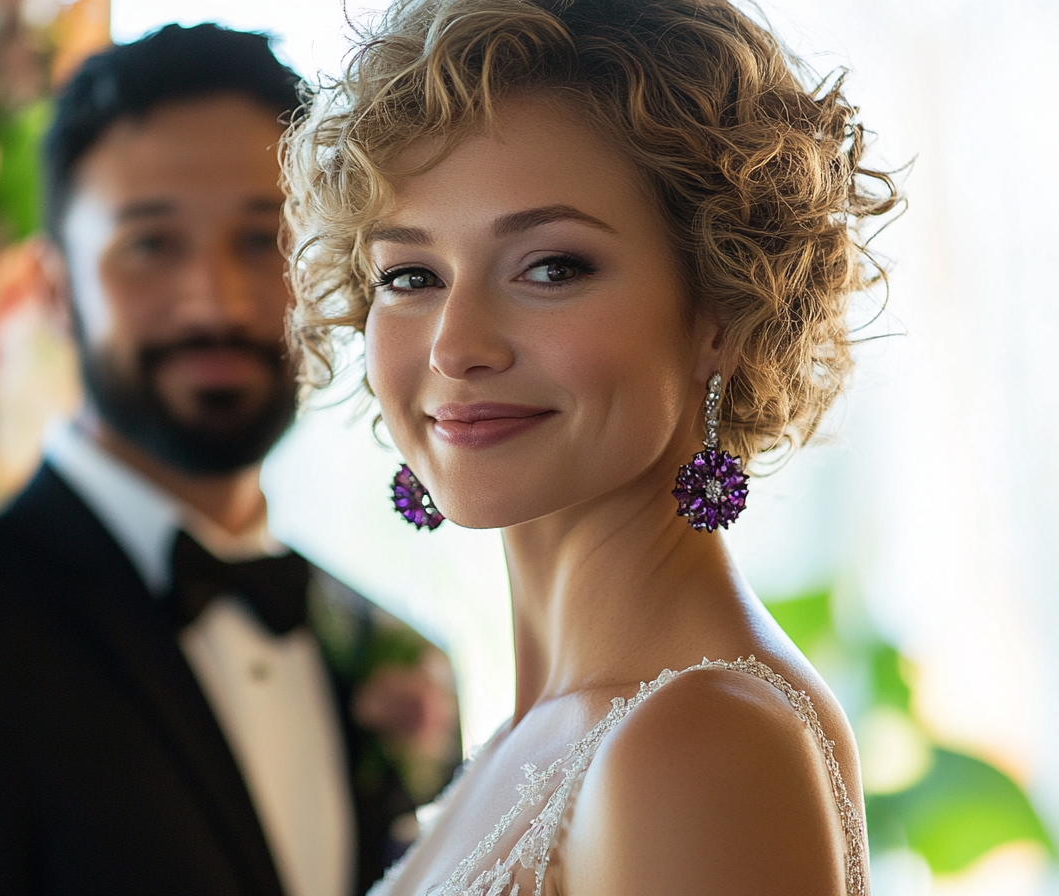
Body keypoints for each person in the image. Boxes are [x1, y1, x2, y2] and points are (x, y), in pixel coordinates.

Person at [0, 23, 459, 896]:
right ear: (54, 290)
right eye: (151, 245)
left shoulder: (398, 659)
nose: (217, 296)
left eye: (261, 239)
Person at [282, 0, 900, 893]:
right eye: (411, 275)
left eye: (551, 267)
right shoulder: (539, 731)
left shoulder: (700, 741)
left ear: (721, 309)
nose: (456, 346)